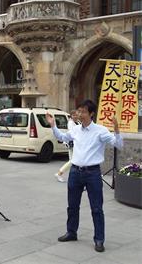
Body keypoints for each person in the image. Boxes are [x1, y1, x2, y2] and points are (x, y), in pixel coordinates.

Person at [46, 99, 123, 253]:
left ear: (91, 113)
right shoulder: (75, 130)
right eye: (79, 111)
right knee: (72, 206)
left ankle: (99, 239)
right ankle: (71, 232)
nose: (79, 114)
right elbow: (62, 137)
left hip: (93, 173)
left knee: (96, 208)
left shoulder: (100, 131)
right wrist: (53, 125)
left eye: (83, 111)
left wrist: (116, 130)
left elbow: (118, 145)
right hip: (75, 172)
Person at [54, 110, 79, 182]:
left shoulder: (77, 122)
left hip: (75, 144)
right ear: (71, 116)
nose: (76, 116)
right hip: (72, 143)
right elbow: (73, 133)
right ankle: (59, 173)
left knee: (73, 160)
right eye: (74, 115)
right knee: (73, 161)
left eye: (76, 115)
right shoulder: (71, 123)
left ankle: (60, 173)